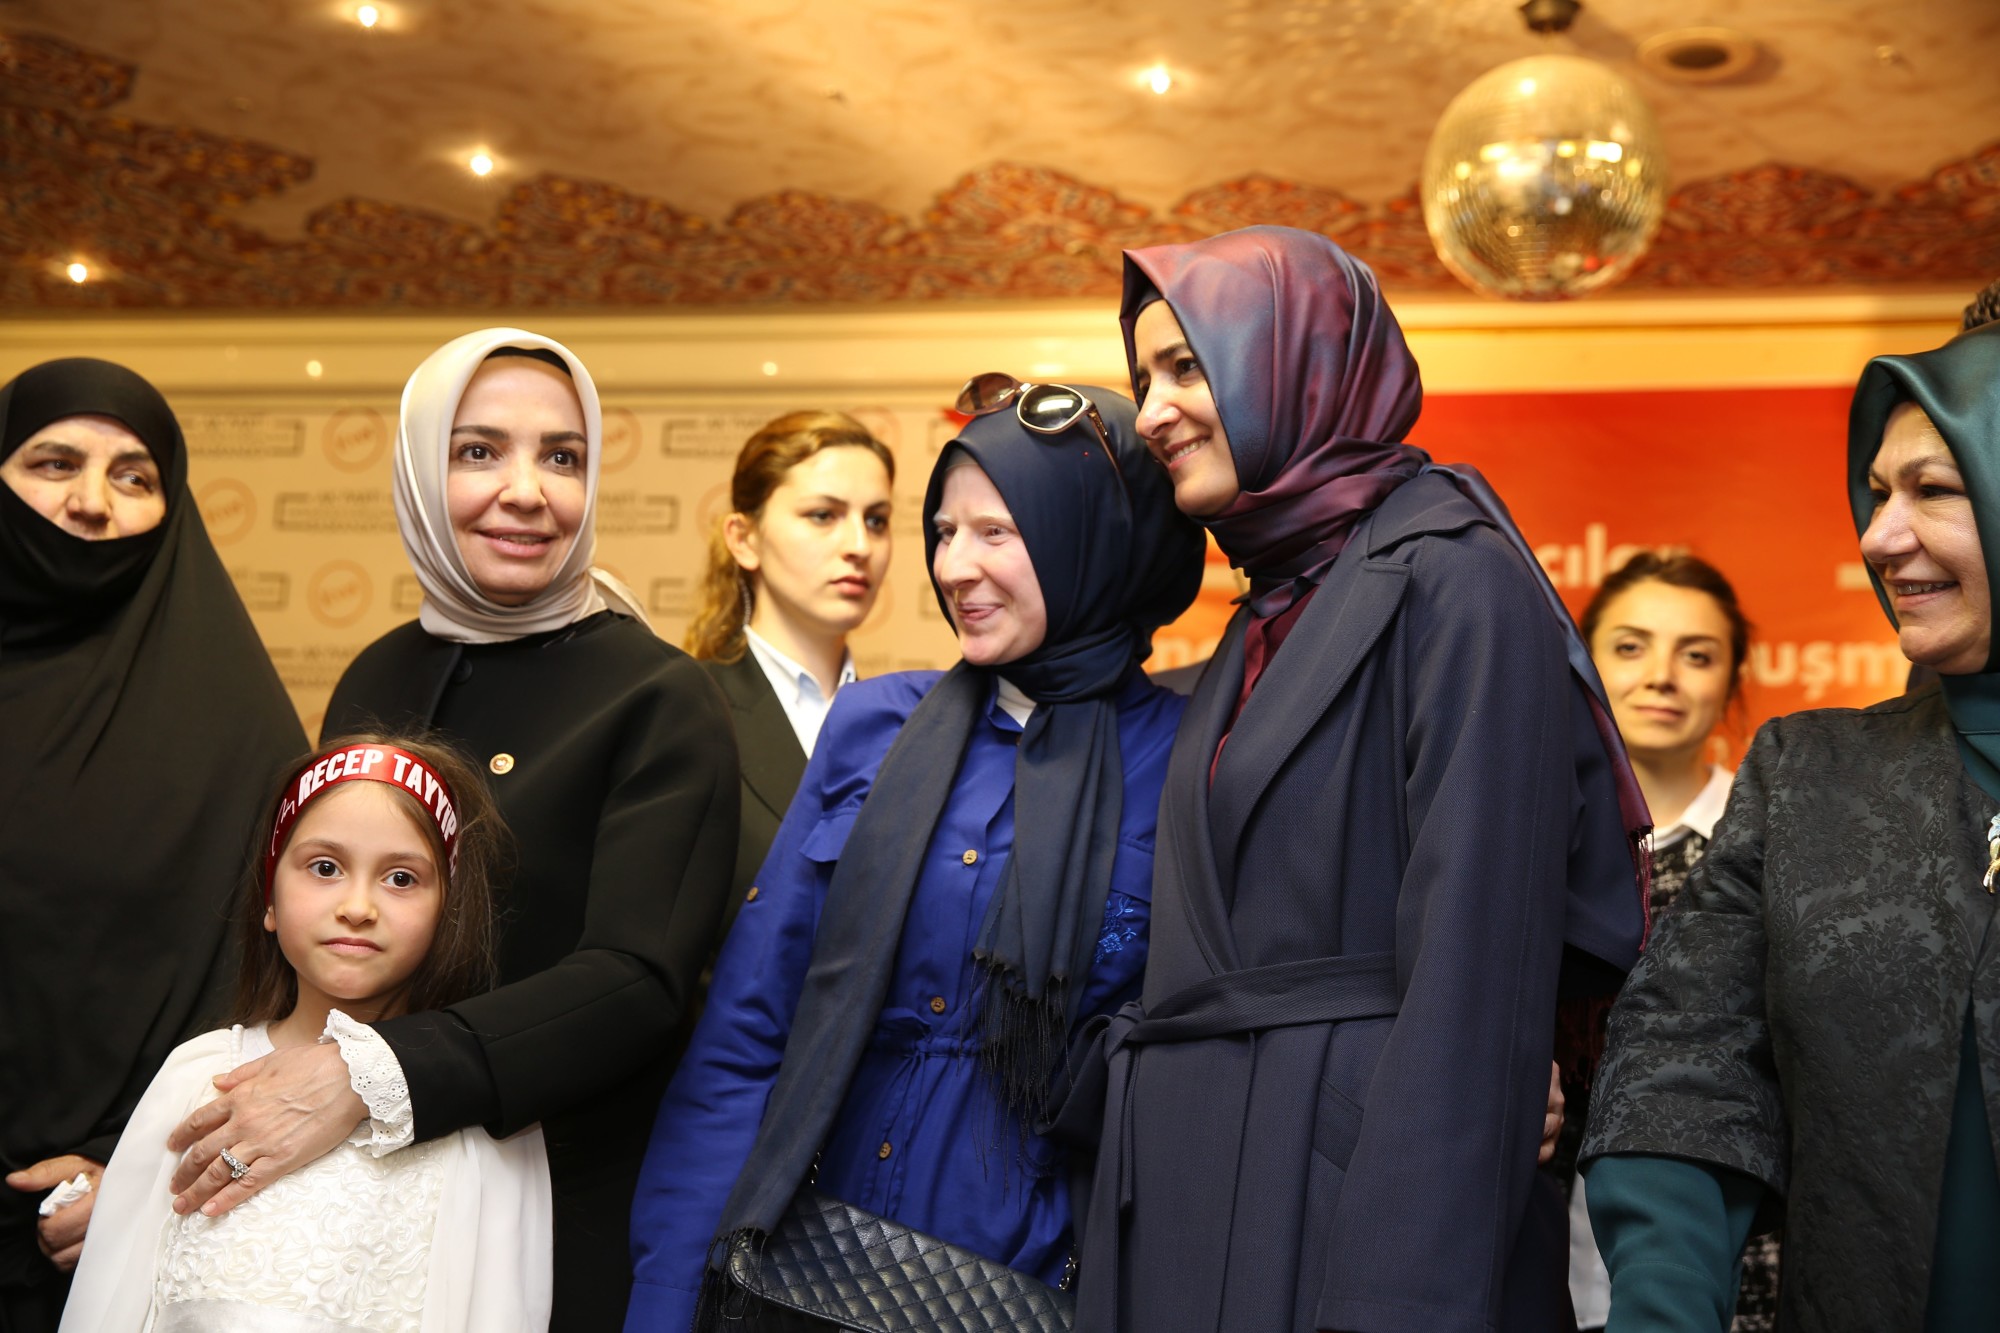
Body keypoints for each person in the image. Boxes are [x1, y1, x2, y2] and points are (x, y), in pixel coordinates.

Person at [1069, 225, 1649, 1333]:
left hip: (1352, 1225)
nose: (1150, 413)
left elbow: (1475, 972)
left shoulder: (1459, 578)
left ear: (1293, 362)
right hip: (1194, 1206)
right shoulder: (1267, 608)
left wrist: (1397, 1300)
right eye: (1143, 380)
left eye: (1186, 367)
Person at [160, 329, 740, 1330]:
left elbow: (637, 979)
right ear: (421, 470)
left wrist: (375, 1075)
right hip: (347, 1182)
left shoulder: (658, 694)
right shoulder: (377, 673)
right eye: (479, 451)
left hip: (555, 1198)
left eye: (563, 456)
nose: (528, 491)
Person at [625, 380, 1206, 1331]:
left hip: (1041, 1288)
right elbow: (746, 1036)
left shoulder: (1189, 758)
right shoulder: (874, 726)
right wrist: (664, 1303)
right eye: (943, 531)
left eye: (997, 532)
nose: (954, 567)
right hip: (813, 1270)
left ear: (1095, 541)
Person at [1582, 322, 2000, 1330]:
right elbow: (1682, 1067)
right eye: (1877, 492)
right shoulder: (1809, 774)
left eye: (1933, 489)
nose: (1878, 535)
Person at [0, 359, 305, 1331]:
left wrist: (132, 1171)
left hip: (107, 1223)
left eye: (134, 476)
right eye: (54, 463)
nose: (92, 502)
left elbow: (265, 981)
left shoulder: (235, 723)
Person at [60, 734, 551, 1330]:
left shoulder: (483, 1121)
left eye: (401, 878)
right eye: (325, 868)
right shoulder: (198, 1077)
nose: (358, 906)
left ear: (447, 914)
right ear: (269, 897)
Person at [1566, 554, 1777, 1331]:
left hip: (1730, 1251)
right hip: (1544, 1237)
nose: (1661, 676)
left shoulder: (1778, 845)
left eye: (1697, 654)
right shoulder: (1532, 842)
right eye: (1630, 646)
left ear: (1732, 681)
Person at [684, 411, 895, 906]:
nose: (859, 545)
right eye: (823, 515)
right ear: (744, 539)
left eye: (876, 521)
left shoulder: (906, 727)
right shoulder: (685, 710)